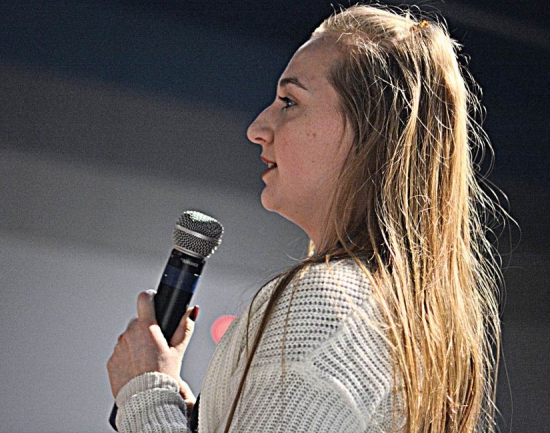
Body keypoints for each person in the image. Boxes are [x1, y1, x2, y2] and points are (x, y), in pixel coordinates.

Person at [107, 3, 505, 432]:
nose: (258, 127)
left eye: (289, 102)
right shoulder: (410, 317)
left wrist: (146, 395)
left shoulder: (325, 302)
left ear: (370, 133)